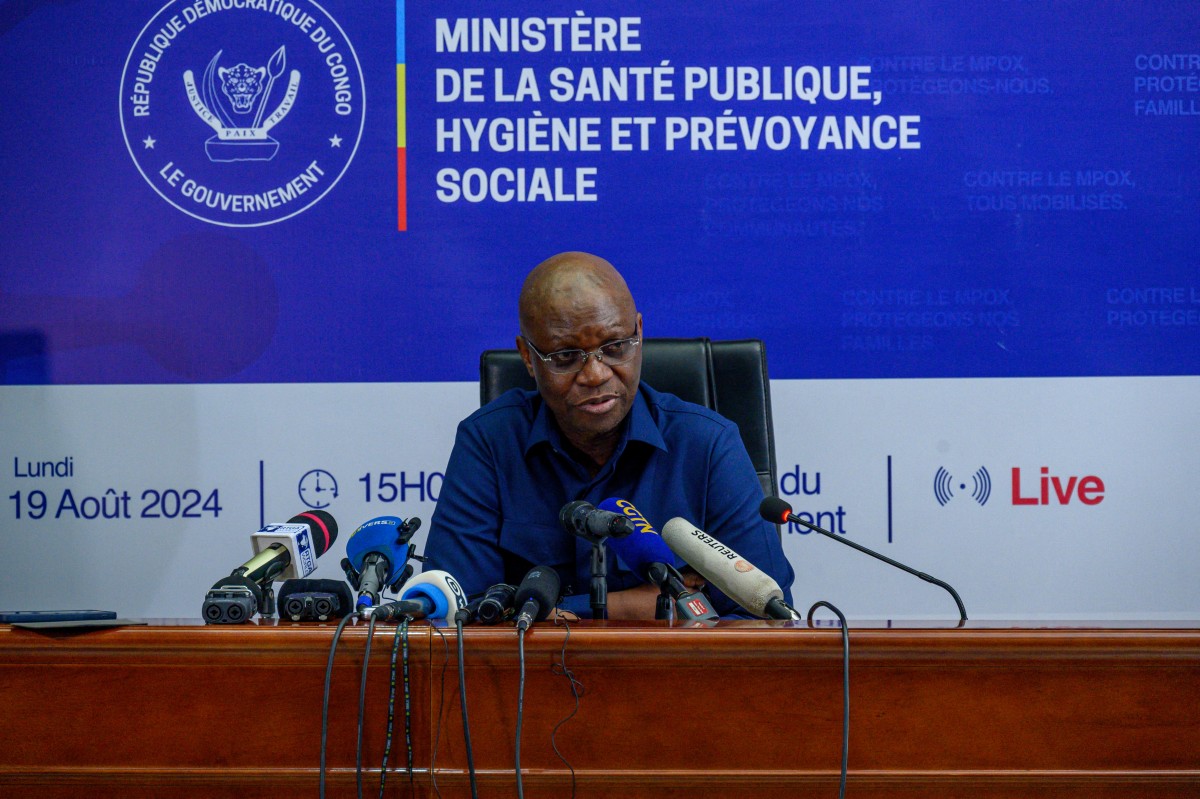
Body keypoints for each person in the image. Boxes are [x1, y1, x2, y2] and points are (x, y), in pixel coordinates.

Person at [423, 251, 794, 619]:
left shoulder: (709, 445)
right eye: (565, 357)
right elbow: (458, 616)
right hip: (530, 661)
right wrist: (628, 606)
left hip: (675, 662)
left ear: (639, 332)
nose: (596, 374)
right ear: (527, 356)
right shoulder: (488, 443)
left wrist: (551, 613)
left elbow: (769, 617)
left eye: (615, 348)